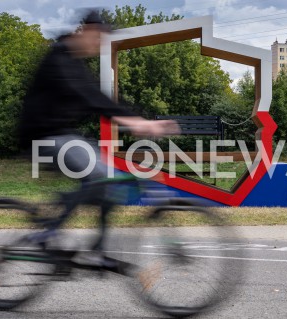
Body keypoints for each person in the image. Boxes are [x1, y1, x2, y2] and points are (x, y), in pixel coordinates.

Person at [18, 9, 179, 265]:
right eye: (99, 38)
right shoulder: (59, 57)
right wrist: (133, 122)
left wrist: (137, 119)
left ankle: (96, 249)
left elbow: (101, 97)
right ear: (87, 30)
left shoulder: (75, 63)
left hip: (66, 136)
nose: (99, 45)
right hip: (42, 137)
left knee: (110, 181)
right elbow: (87, 97)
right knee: (99, 176)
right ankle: (49, 231)